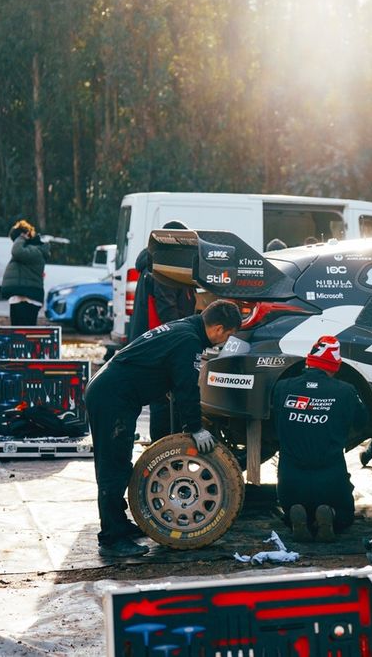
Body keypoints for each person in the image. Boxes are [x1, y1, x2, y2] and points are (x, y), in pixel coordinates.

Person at [85, 299, 242, 558]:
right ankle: (111, 538)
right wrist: (195, 428)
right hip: (111, 397)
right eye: (227, 335)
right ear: (218, 328)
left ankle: (119, 524)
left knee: (121, 463)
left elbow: (161, 365)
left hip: (112, 390)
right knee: (112, 467)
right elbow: (187, 388)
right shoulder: (189, 341)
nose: (224, 341)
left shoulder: (185, 328)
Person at [273, 335, 367, 542]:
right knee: (346, 515)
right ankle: (330, 514)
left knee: (289, 514)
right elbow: (363, 422)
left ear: (308, 361)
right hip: (330, 475)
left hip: (291, 478)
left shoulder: (282, 388)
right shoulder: (346, 392)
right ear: (335, 367)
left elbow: (273, 422)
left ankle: (296, 514)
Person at [127, 220, 194, 441]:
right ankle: (163, 448)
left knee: (161, 399)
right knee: (162, 400)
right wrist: (183, 337)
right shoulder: (163, 267)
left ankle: (163, 446)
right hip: (161, 343)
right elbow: (167, 309)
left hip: (153, 340)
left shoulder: (153, 263)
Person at [1, 219, 48, 325]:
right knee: (17, 335)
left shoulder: (36, 250)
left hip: (29, 297)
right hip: (20, 296)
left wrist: (21, 237)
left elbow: (17, 251)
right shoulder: (29, 250)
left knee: (26, 335)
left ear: (26, 235)